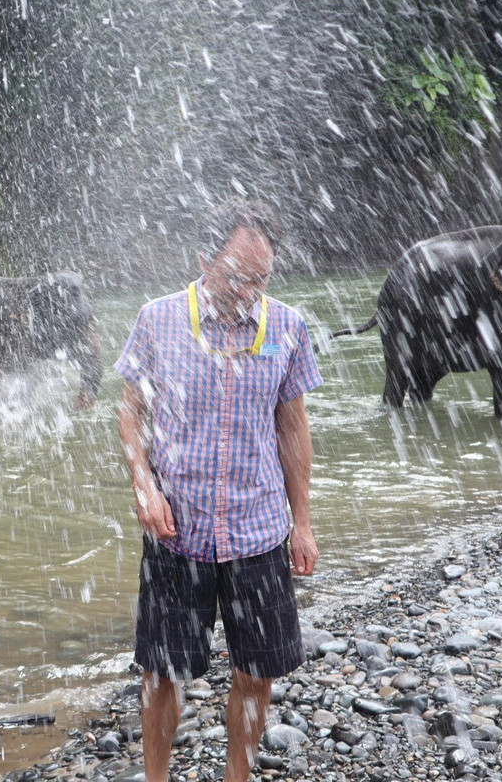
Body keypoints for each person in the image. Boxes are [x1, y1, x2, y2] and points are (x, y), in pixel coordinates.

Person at [115, 200, 322, 782]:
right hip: (178, 530)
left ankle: (238, 776)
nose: (249, 290)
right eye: (237, 276)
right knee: (162, 673)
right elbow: (130, 412)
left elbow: (292, 426)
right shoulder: (158, 319)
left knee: (257, 672)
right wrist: (143, 484)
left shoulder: (285, 326)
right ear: (205, 259)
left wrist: (301, 522)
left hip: (258, 531)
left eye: (261, 278)